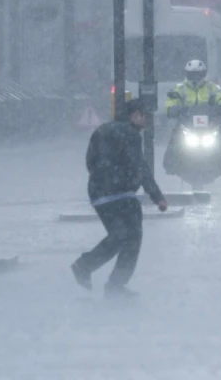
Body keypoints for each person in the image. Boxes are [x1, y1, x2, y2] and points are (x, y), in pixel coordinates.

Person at [71, 98, 168, 298]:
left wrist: (100, 180)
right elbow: (140, 168)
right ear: (135, 115)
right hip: (123, 195)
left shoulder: (102, 130)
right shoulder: (131, 135)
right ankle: (112, 283)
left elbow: (90, 160)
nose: (149, 120)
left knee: (118, 237)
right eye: (146, 116)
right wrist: (157, 196)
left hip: (99, 194)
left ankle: (86, 267)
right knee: (132, 239)